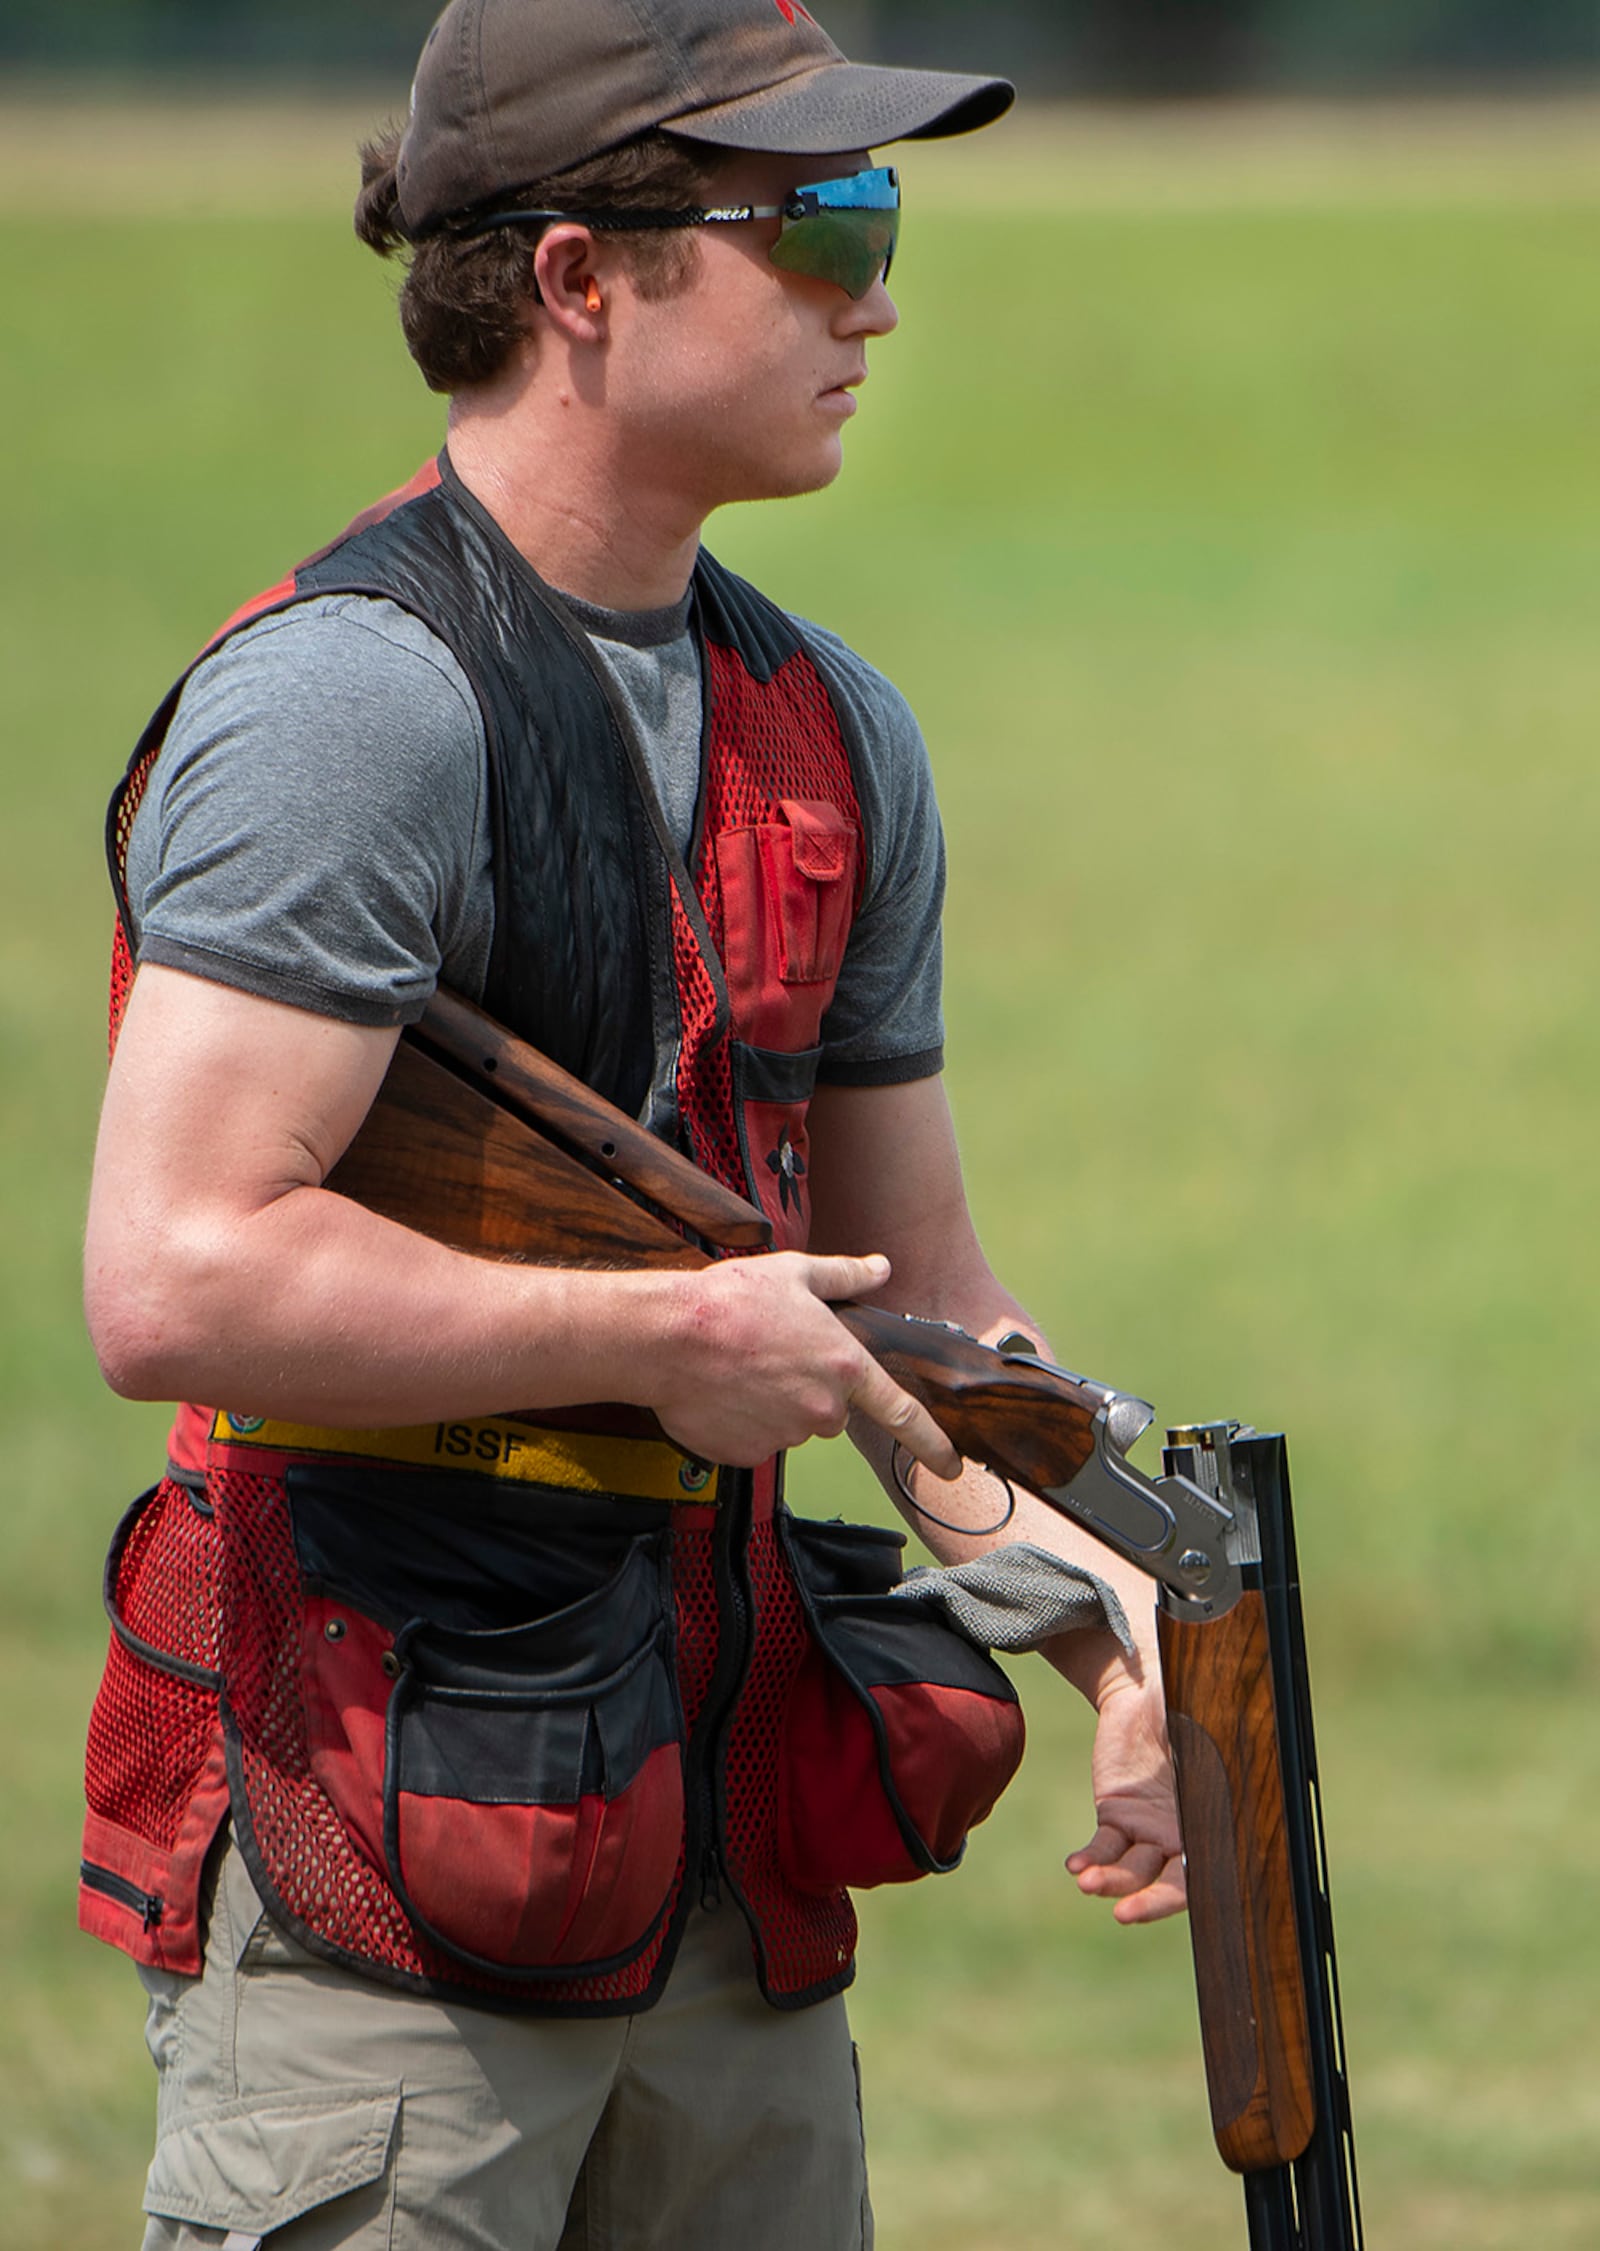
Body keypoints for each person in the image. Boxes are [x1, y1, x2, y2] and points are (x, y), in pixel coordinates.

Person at [80, 2, 1185, 2244]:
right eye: (817, 223)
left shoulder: (831, 728)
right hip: (374, 1876)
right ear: (577, 279)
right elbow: (175, 1273)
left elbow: (918, 1311)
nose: (875, 297)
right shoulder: (345, 706)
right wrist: (658, 1350)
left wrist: (1121, 1611)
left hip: (718, 1863)